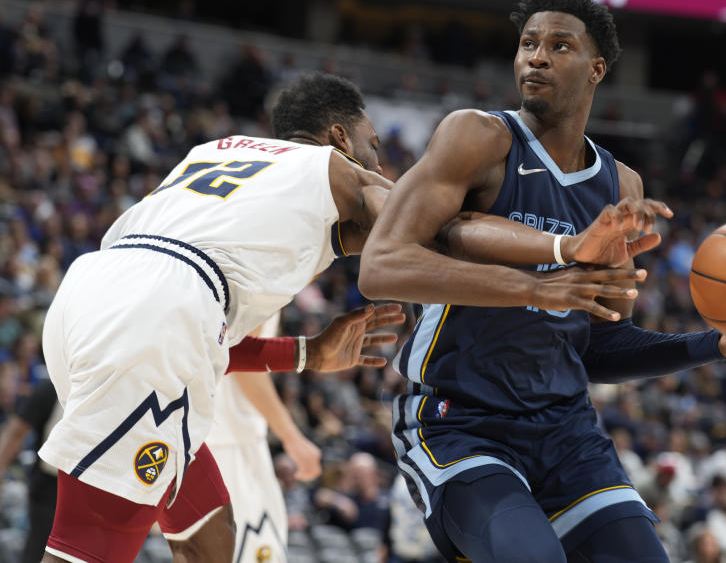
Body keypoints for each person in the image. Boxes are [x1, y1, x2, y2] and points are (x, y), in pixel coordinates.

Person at [38, 71, 652, 563]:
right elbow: (437, 229)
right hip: (161, 311)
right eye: (375, 147)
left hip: (95, 297)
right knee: (90, 546)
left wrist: (305, 353)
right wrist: (561, 251)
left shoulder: (211, 154)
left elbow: (204, 341)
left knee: (208, 531)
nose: (382, 166)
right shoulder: (338, 173)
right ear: (339, 135)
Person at [359, 0, 726, 562]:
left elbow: (596, 346)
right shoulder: (477, 137)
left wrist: (719, 344)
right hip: (460, 423)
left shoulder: (621, 187)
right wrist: (538, 282)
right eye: (528, 44)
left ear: (597, 68)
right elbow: (381, 265)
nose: (537, 57)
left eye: (559, 45)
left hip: (566, 435)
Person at [202, 313, 322, 563]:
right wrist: (292, 437)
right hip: (231, 440)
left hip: (212, 435)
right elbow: (244, 364)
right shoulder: (263, 280)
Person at [0, 378, 60, 561]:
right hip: (51, 487)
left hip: (93, 490)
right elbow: (16, 430)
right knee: (41, 550)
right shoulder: (53, 387)